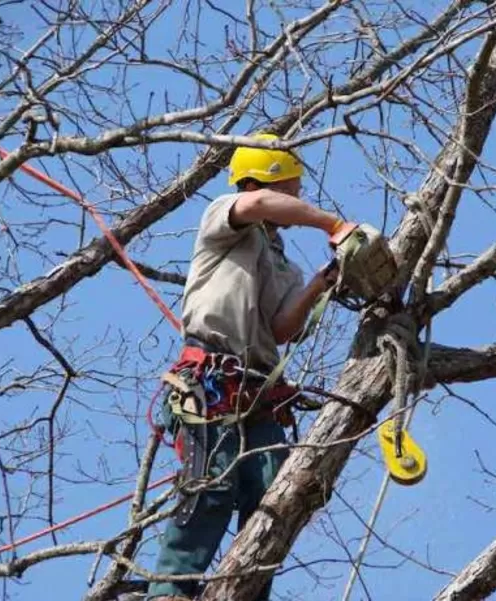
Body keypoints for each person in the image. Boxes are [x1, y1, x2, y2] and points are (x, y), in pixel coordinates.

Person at [147, 133, 346, 601]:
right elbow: (255, 202)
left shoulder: (281, 262)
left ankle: (249, 593)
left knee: (273, 499)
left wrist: (320, 283)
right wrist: (331, 223)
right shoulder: (226, 216)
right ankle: (169, 592)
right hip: (210, 382)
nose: (294, 201)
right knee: (211, 488)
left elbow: (280, 328)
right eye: (289, 190)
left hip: (258, 392)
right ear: (268, 181)